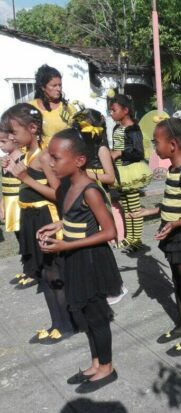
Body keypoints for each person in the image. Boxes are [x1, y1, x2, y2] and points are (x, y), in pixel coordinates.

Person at [37, 128, 122, 393]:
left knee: (96, 316)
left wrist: (67, 243)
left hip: (92, 262)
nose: (51, 163)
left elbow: (110, 232)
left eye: (56, 158)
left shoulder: (90, 191)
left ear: (79, 161)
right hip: (74, 257)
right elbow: (74, 219)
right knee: (84, 315)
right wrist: (56, 225)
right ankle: (96, 363)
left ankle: (107, 368)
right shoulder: (66, 187)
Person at [129, 118, 181, 356]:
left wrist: (174, 224)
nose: (154, 147)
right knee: (178, 284)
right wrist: (150, 211)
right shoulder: (172, 170)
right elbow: (171, 203)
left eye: (156, 142)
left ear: (172, 145)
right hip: (172, 235)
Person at [3, 103, 73, 341]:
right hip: (31, 218)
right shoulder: (26, 154)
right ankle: (57, 322)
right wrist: (14, 170)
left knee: (54, 273)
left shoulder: (43, 156)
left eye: (14, 132)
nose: (11, 137)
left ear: (32, 128)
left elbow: (58, 194)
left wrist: (24, 177)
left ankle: (66, 324)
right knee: (44, 273)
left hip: (46, 218)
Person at [70, 109, 127, 304]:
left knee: (100, 241)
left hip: (97, 195)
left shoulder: (101, 149)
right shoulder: (79, 148)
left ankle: (114, 285)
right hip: (82, 193)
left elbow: (110, 177)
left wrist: (88, 175)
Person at [109, 94, 152, 253]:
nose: (111, 113)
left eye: (114, 110)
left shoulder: (133, 128)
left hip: (131, 172)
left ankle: (137, 238)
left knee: (134, 207)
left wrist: (120, 153)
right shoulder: (116, 128)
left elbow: (138, 152)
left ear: (125, 110)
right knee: (126, 206)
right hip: (120, 172)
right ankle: (130, 236)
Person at [0, 120, 24, 281]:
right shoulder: (5, 159)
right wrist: (2, 203)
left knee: (26, 237)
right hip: (10, 204)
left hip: (21, 204)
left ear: (14, 139)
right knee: (19, 237)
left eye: (3, 141)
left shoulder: (23, 158)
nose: (0, 145)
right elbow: (4, 185)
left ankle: (33, 270)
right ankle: (27, 268)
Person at [29, 64, 76, 147]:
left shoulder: (69, 108)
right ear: (43, 87)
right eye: (54, 85)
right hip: (38, 156)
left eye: (60, 85)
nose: (58, 89)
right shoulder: (30, 107)